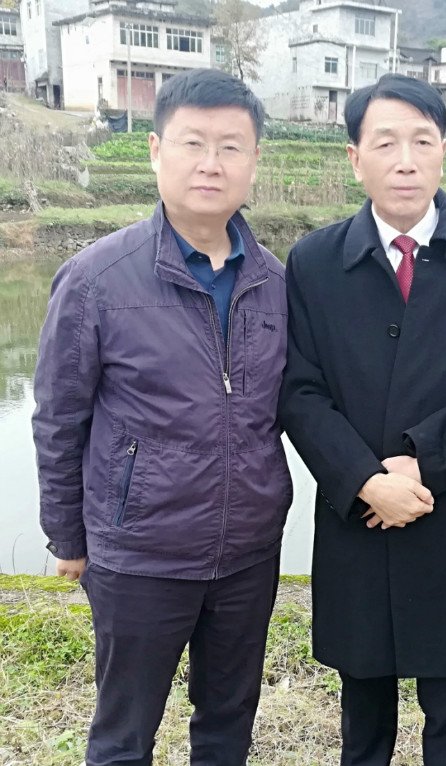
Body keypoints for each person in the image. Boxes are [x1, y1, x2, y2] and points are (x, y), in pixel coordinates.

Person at [32, 68, 292, 766]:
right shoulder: (96, 279)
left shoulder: (275, 282)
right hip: (139, 552)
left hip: (248, 552)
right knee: (124, 733)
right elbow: (58, 418)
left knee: (228, 723)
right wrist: (67, 535)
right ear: (155, 151)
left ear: (254, 160)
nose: (211, 163)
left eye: (231, 147)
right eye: (193, 143)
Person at [278, 73, 446, 766]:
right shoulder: (314, 263)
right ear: (354, 158)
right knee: (363, 717)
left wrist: (424, 463)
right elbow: (300, 391)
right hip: (360, 521)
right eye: (385, 143)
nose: (405, 161)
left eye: (423, 141)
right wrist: (366, 480)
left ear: (443, 151)